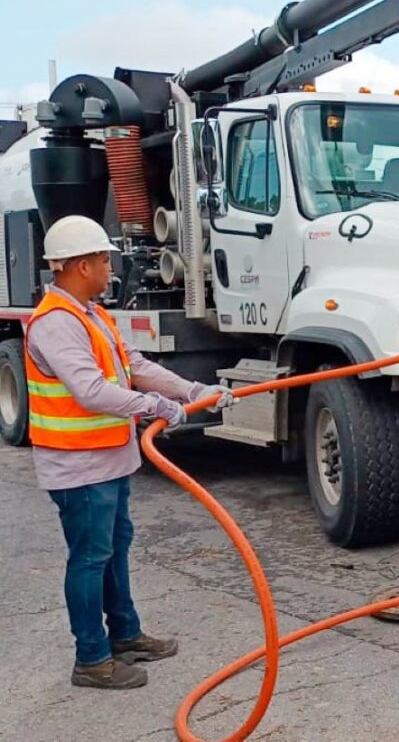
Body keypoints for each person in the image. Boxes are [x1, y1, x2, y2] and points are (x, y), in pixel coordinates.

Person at [25, 215, 234, 689]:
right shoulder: (57, 323)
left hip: (107, 460)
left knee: (113, 548)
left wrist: (191, 389)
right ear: (79, 266)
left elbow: (133, 365)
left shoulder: (91, 314)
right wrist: (155, 406)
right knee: (89, 556)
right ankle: (92, 660)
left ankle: (125, 635)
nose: (109, 268)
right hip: (78, 466)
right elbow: (92, 391)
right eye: (102, 260)